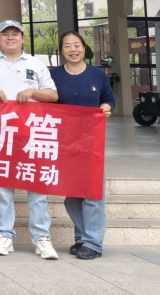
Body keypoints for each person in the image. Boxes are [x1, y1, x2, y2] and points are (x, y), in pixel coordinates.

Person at [0, 20, 59, 260]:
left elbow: (52, 95)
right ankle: (4, 235)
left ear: (22, 38)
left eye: (15, 34)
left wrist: (32, 92)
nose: (10, 38)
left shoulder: (35, 64)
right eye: (5, 34)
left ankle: (42, 238)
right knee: (3, 187)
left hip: (33, 133)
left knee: (37, 187)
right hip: (1, 133)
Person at [49, 30, 114, 260]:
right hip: (64, 143)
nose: (73, 49)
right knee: (73, 195)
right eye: (67, 45)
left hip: (91, 142)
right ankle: (82, 238)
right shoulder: (52, 75)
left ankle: (93, 243)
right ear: (62, 50)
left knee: (93, 193)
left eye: (77, 45)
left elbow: (108, 98)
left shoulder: (98, 74)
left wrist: (106, 108)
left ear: (84, 48)